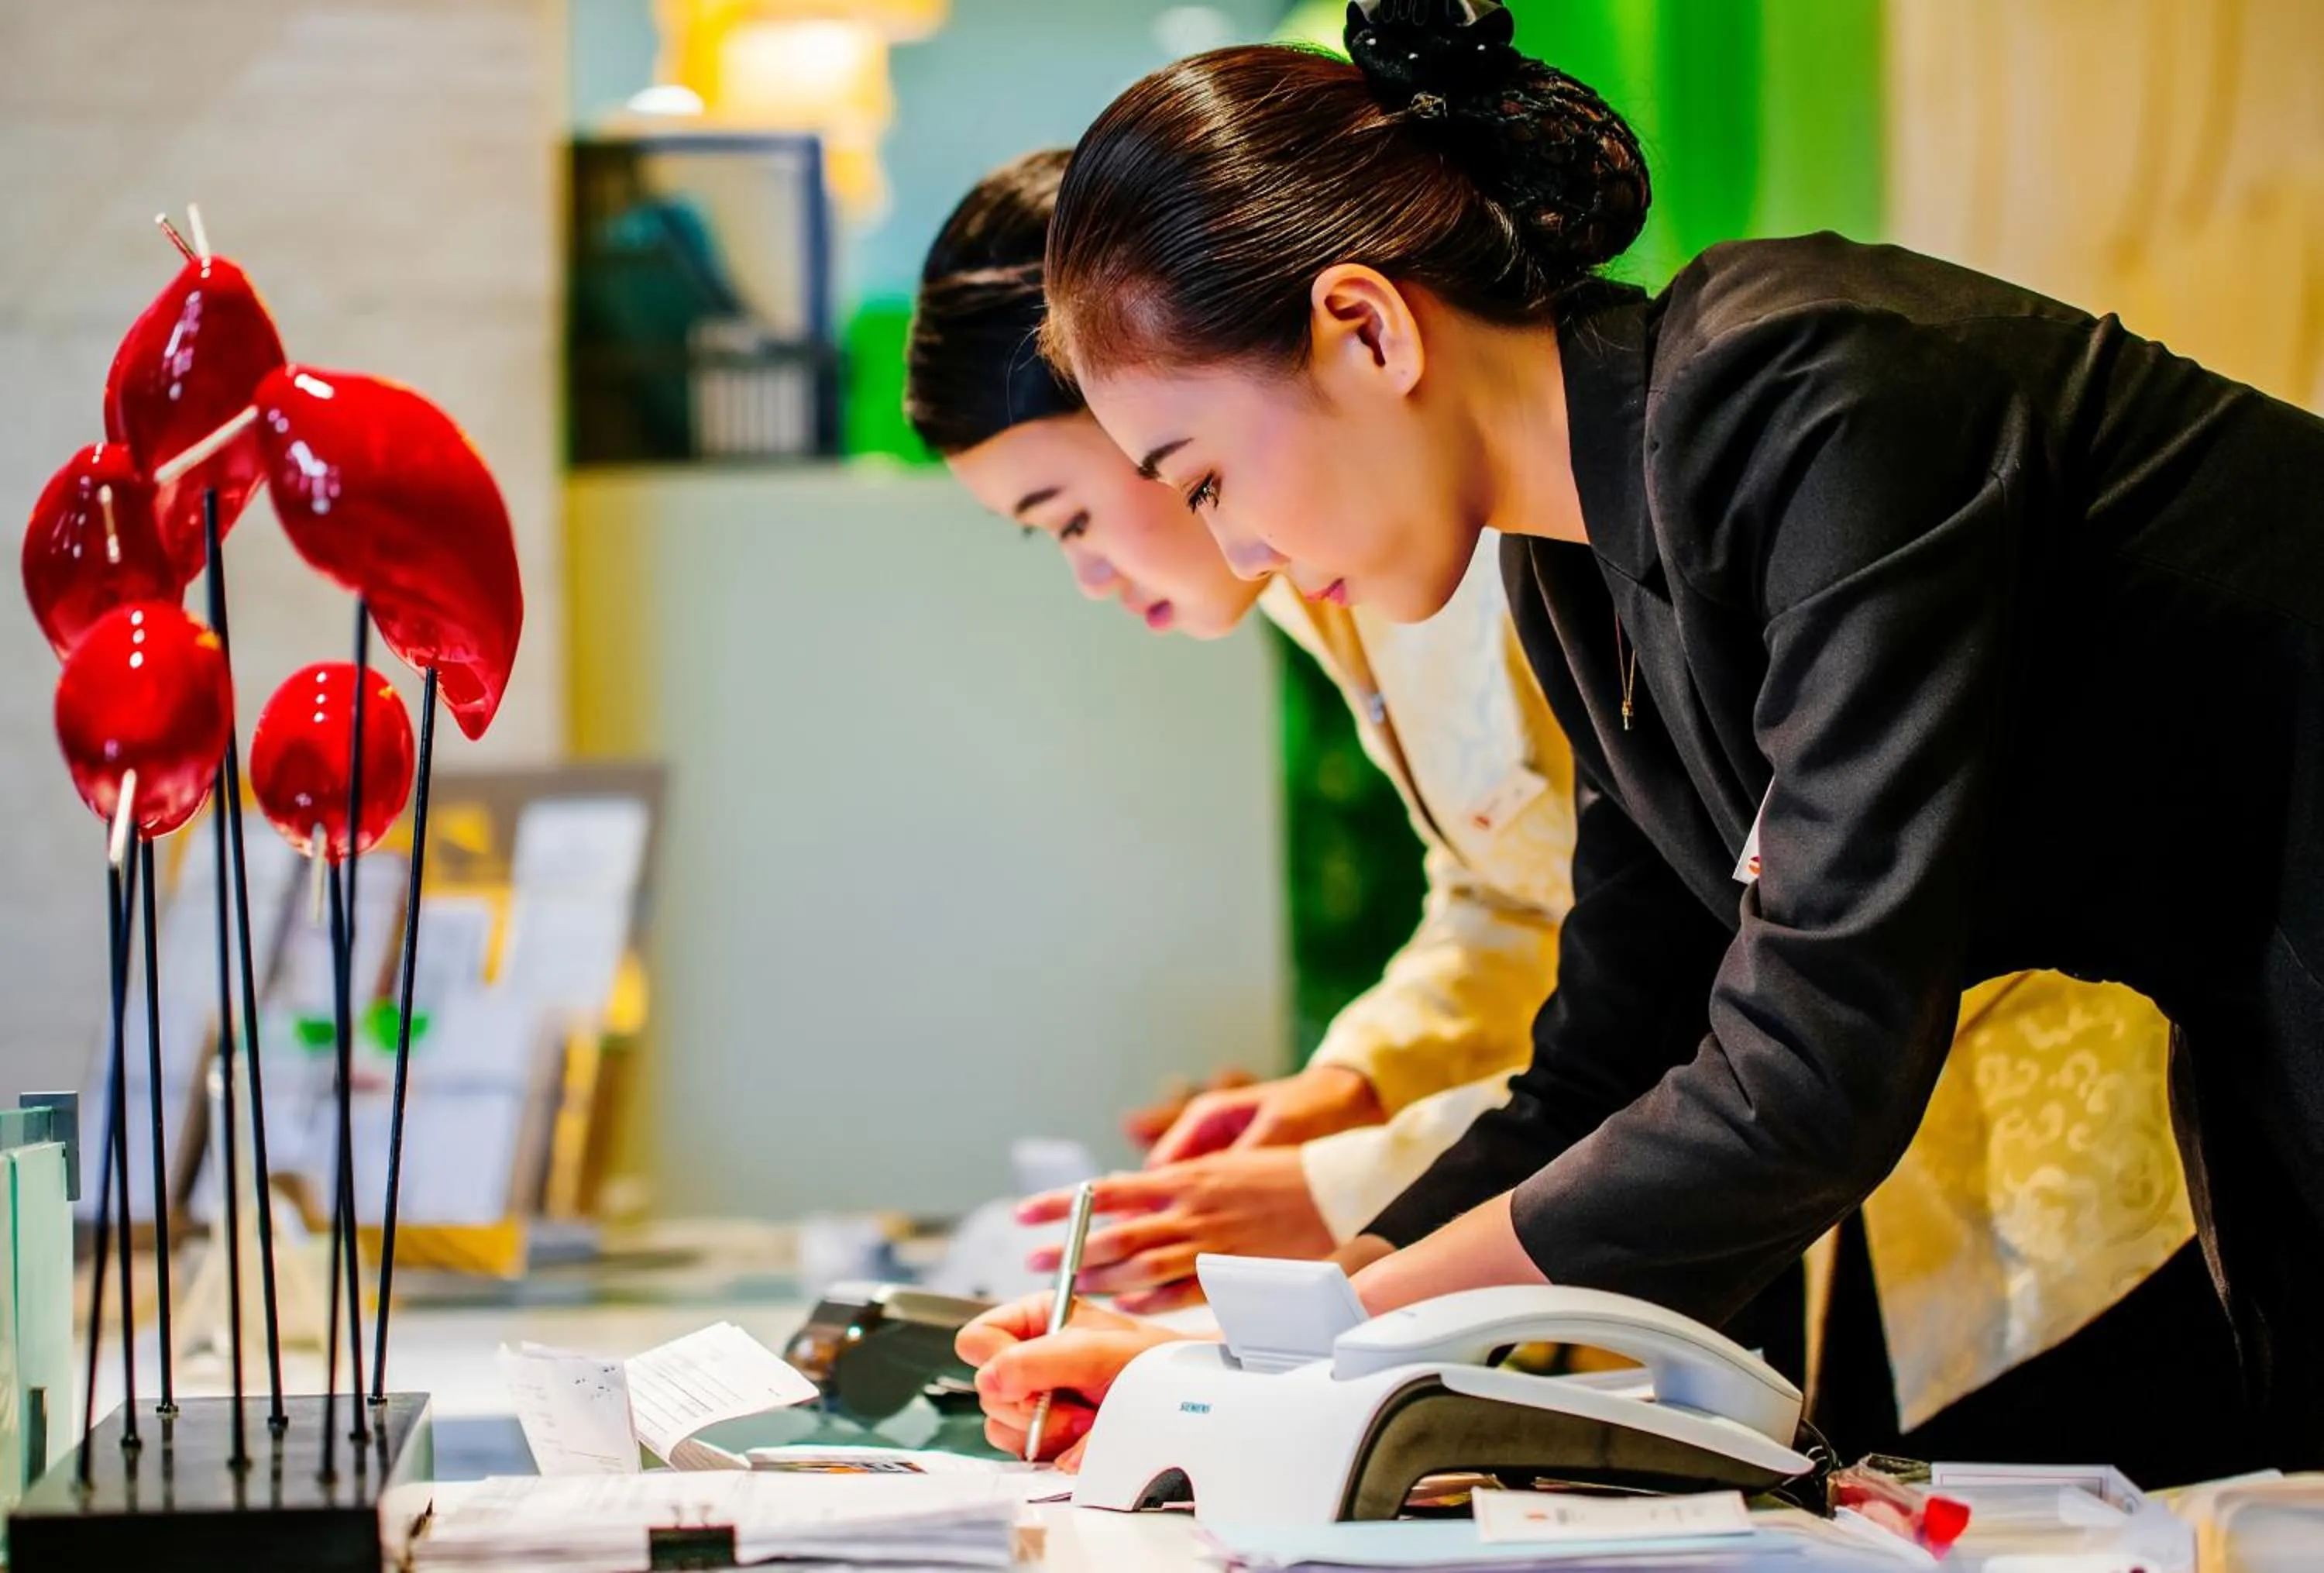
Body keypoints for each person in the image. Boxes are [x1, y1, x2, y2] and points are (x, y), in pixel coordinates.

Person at [963, 0, 2317, 1481]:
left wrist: (1316, 1337)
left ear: (1366, 326)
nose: (1241, 549)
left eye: (1205, 476)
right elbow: (1615, 1051)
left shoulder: (1811, 389)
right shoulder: (1577, 559)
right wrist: (1261, 1348)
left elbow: (1808, 1068)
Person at [904, 148, 1585, 1313]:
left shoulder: (1480, 528)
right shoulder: (1324, 574)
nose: (1088, 576)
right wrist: (1358, 1085)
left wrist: (1341, 1186)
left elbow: (1699, 968)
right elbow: (1513, 893)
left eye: (1070, 517)